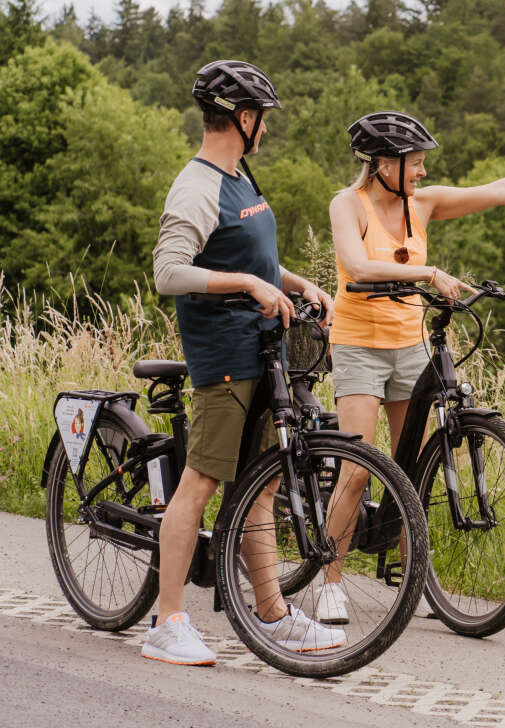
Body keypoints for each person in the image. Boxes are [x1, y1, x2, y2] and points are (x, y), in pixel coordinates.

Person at [314, 109, 505, 623]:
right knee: (358, 471)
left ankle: (415, 584)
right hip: (359, 345)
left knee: (409, 471)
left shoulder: (423, 205)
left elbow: (501, 189)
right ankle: (331, 581)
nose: (423, 173)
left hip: (408, 344)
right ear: (384, 162)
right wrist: (430, 272)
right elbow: (357, 265)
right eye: (414, 162)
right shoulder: (349, 204)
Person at [146, 59, 339, 666]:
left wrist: (296, 283)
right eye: (264, 120)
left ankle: (272, 614)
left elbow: (249, 257)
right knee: (200, 482)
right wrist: (250, 287)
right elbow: (168, 271)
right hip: (225, 357)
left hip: (264, 351)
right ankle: (167, 620)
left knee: (262, 485)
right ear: (244, 118)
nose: (267, 130)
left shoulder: (240, 177)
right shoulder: (198, 184)